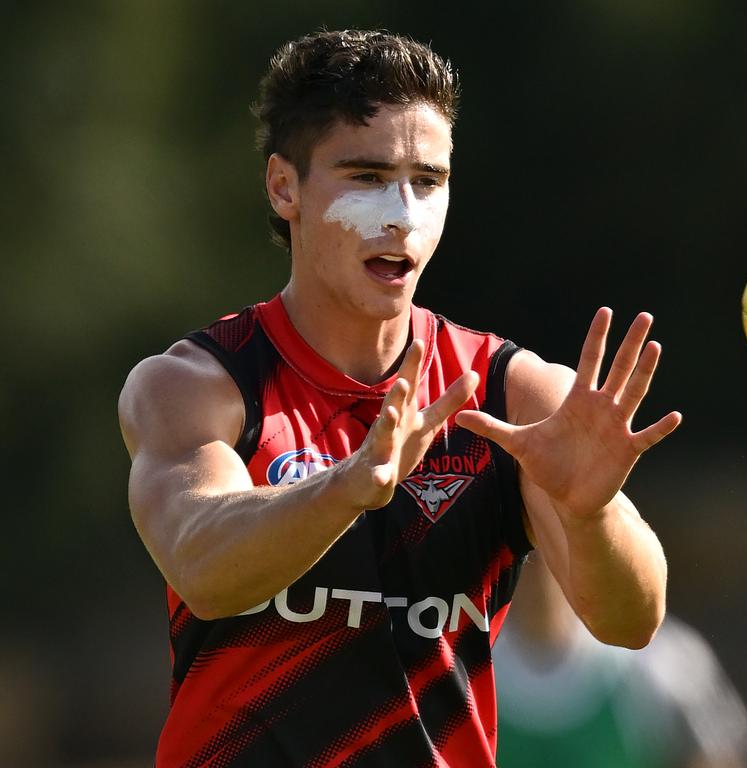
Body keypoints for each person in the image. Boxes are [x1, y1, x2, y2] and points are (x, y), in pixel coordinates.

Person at [117, 28, 681, 768]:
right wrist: (346, 488)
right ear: (284, 186)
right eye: (365, 176)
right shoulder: (202, 384)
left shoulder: (512, 393)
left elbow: (630, 622)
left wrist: (591, 512)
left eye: (428, 180)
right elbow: (204, 567)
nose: (403, 215)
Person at [494, 553, 747, 768]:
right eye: (525, 553)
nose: (538, 570)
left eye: (548, 550)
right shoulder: (465, 660)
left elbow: (719, 757)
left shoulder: (661, 660)